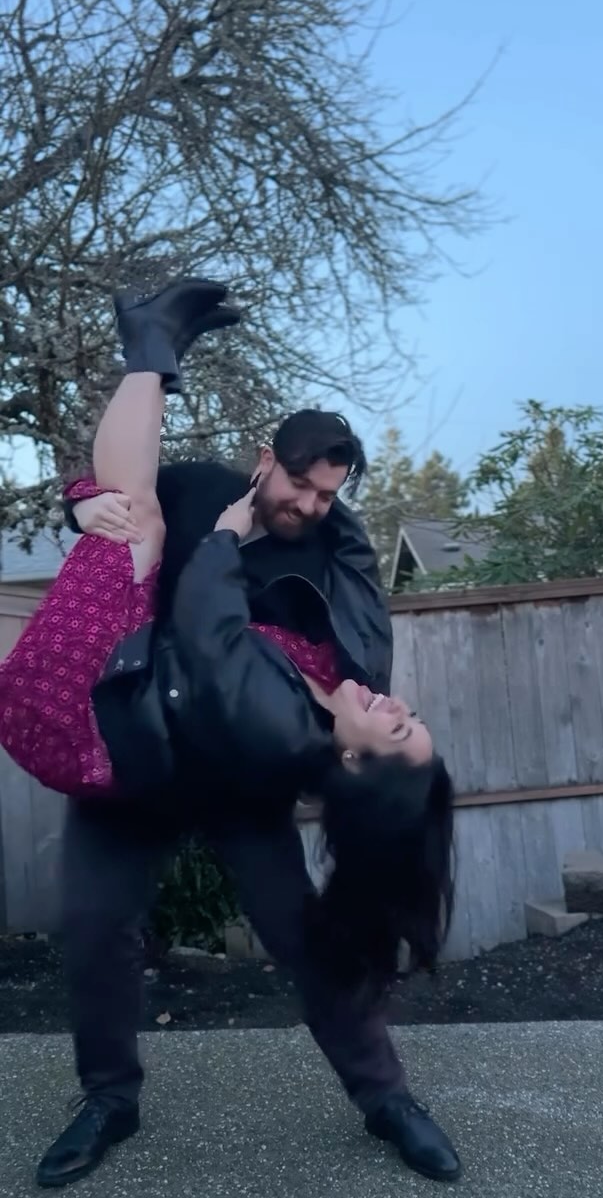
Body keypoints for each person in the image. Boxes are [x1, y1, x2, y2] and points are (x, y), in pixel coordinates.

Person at [0, 281, 461, 1188]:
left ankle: (386, 1098)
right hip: (138, 750)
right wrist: (79, 503)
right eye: (299, 482)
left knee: (303, 939)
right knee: (94, 929)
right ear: (264, 462)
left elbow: (303, 651)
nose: (311, 505)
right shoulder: (208, 490)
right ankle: (108, 1098)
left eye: (329, 493)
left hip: (245, 779)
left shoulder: (326, 552)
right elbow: (121, 500)